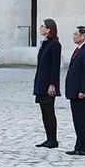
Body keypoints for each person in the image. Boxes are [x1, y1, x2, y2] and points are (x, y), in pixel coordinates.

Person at [64, 25, 85, 156]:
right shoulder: (79, 49)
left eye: (75, 34)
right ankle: (79, 145)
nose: (73, 36)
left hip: (82, 92)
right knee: (77, 120)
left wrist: (83, 90)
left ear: (84, 36)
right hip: (74, 91)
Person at [33, 18, 61, 148]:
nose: (40, 28)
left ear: (49, 29)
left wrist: (52, 84)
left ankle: (53, 139)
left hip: (48, 83)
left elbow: (55, 66)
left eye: (42, 26)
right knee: (44, 110)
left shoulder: (55, 44)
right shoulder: (44, 43)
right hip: (41, 81)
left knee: (49, 110)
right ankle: (48, 137)